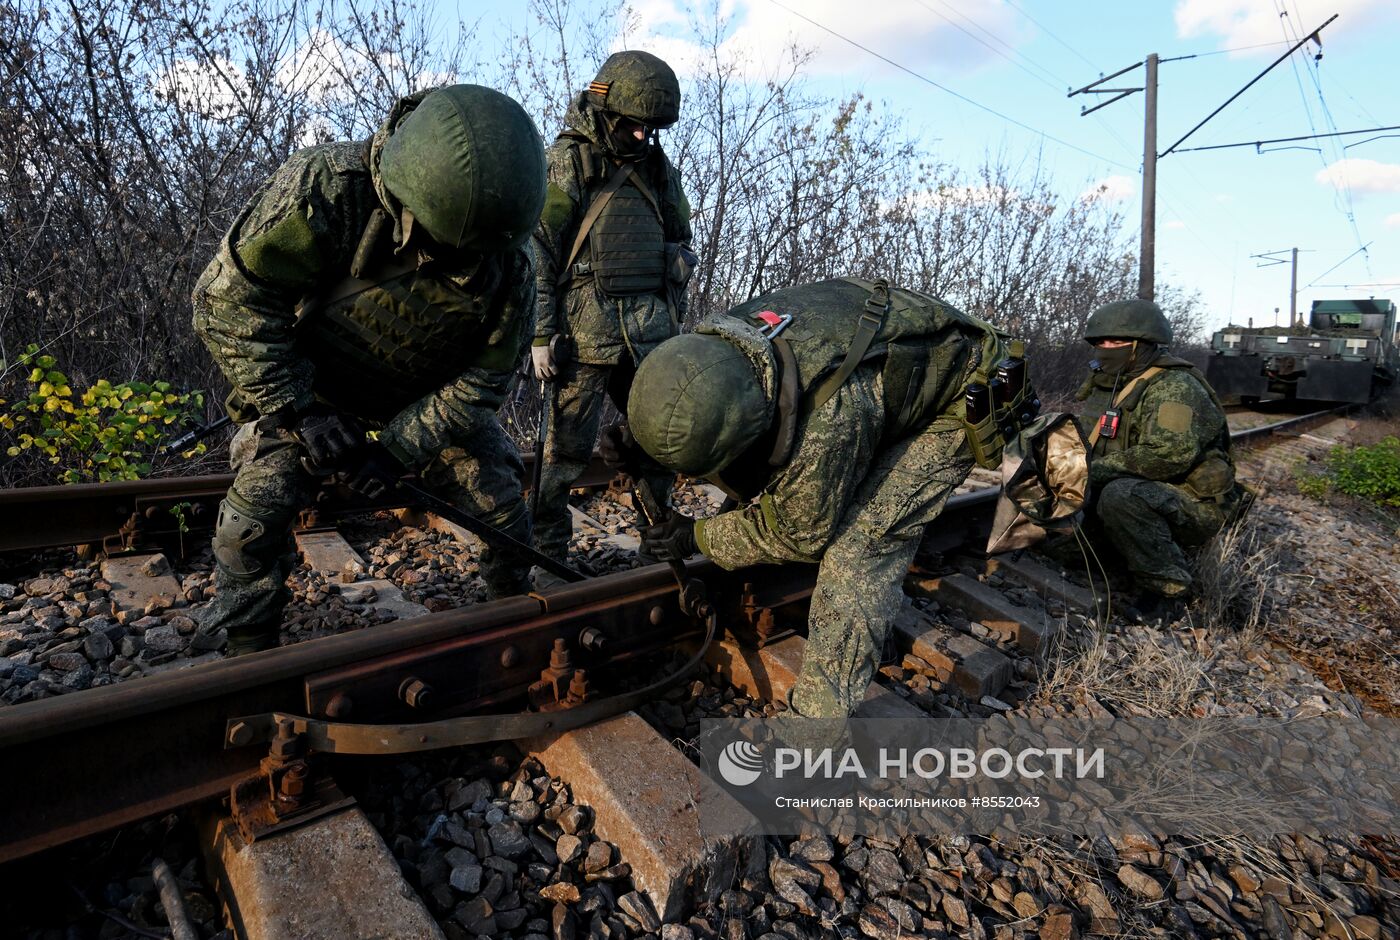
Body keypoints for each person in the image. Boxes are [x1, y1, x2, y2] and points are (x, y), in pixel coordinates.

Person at [192, 84, 546, 654]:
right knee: (249, 524)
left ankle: (515, 623)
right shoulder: (329, 190)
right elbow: (227, 300)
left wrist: (397, 449)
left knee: (503, 510)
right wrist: (301, 409)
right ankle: (248, 648)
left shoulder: (510, 266)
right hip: (309, 395)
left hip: (424, 404)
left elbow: (482, 384)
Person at [625, 277, 1033, 719]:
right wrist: (637, 445)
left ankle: (816, 728)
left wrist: (698, 536)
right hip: (887, 373)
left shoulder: (830, 421)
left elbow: (799, 533)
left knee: (862, 548)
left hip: (962, 389)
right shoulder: (722, 344)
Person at [529, 50, 695, 578]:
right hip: (584, 333)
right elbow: (541, 250)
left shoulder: (658, 169)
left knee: (659, 441)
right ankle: (549, 558)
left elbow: (680, 235)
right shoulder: (568, 161)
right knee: (562, 457)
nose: (644, 138)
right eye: (634, 128)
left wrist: (678, 262)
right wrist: (540, 332)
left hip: (648, 333)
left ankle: (659, 541)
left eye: (652, 130)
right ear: (607, 112)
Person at [1073, 298, 1248, 622]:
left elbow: (1168, 455)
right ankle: (1125, 556)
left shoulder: (1175, 387)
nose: (1105, 348)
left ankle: (1167, 590)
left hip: (1188, 500)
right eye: (1100, 342)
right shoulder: (1109, 381)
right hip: (1135, 488)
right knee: (1063, 550)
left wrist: (1086, 473)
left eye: (1116, 342)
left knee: (1121, 496)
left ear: (1142, 345)